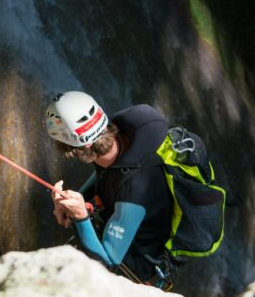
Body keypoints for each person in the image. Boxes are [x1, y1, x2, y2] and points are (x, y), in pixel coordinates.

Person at [45, 91, 175, 286]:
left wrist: (80, 216)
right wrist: (77, 200)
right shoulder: (126, 139)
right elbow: (106, 176)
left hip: (135, 268)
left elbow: (105, 264)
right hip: (128, 228)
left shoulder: (133, 190)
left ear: (76, 150)